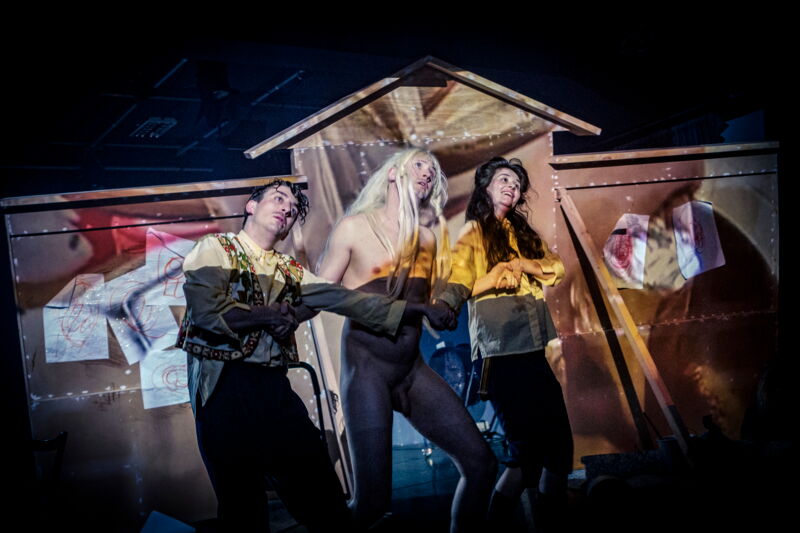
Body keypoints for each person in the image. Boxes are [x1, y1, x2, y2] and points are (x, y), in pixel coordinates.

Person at [176, 179, 451, 531]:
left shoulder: (289, 270)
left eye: (292, 210)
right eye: (279, 199)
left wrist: (418, 309)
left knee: (324, 502)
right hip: (223, 393)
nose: (286, 209)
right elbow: (207, 313)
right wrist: (268, 315)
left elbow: (349, 300)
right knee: (242, 512)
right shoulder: (214, 248)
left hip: (273, 391)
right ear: (251, 206)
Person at [317, 148, 497, 532]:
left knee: (482, 463)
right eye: (419, 164)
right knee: (372, 502)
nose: (427, 173)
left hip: (412, 371)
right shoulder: (354, 228)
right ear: (393, 174)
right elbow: (320, 293)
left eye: (433, 170)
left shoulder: (427, 240)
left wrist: (441, 309)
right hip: (368, 371)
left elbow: (425, 303)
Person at [434, 157, 573, 531]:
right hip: (500, 354)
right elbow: (459, 284)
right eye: (504, 179)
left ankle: (553, 521)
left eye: (517, 183)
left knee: (559, 448)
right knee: (526, 453)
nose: (512, 186)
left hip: (532, 350)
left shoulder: (523, 233)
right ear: (486, 187)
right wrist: (494, 276)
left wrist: (525, 265)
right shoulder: (473, 233)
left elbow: (556, 268)